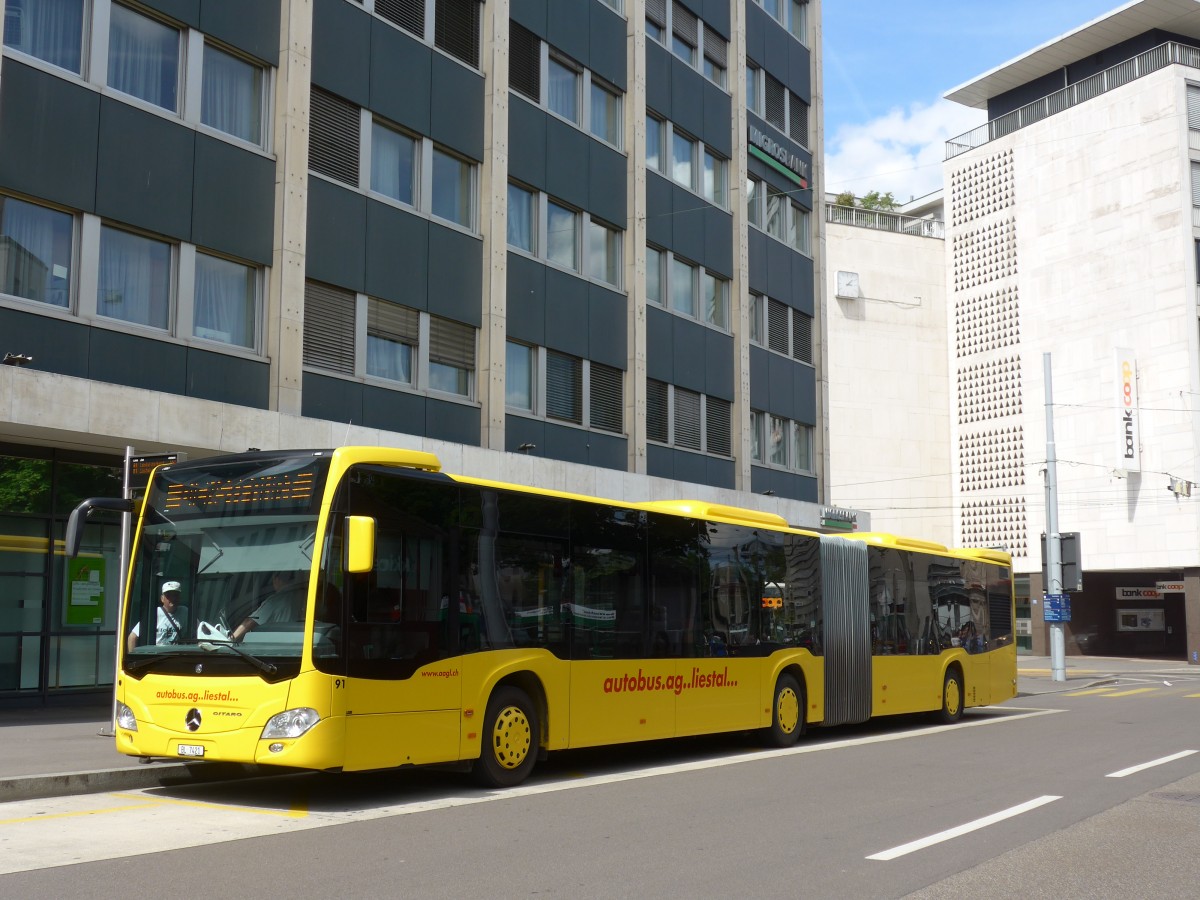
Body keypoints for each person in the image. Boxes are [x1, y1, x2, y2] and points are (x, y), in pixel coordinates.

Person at [231, 572, 306, 641]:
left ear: (276, 579)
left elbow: (250, 622)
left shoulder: (275, 600)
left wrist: (230, 640)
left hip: (277, 646)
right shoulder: (302, 598)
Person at [127, 581, 189, 652]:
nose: (173, 598)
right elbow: (132, 637)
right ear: (162, 598)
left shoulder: (185, 612)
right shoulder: (154, 613)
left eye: (175, 595)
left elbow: (200, 630)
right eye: (168, 596)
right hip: (157, 656)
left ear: (180, 597)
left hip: (176, 656)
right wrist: (133, 659)